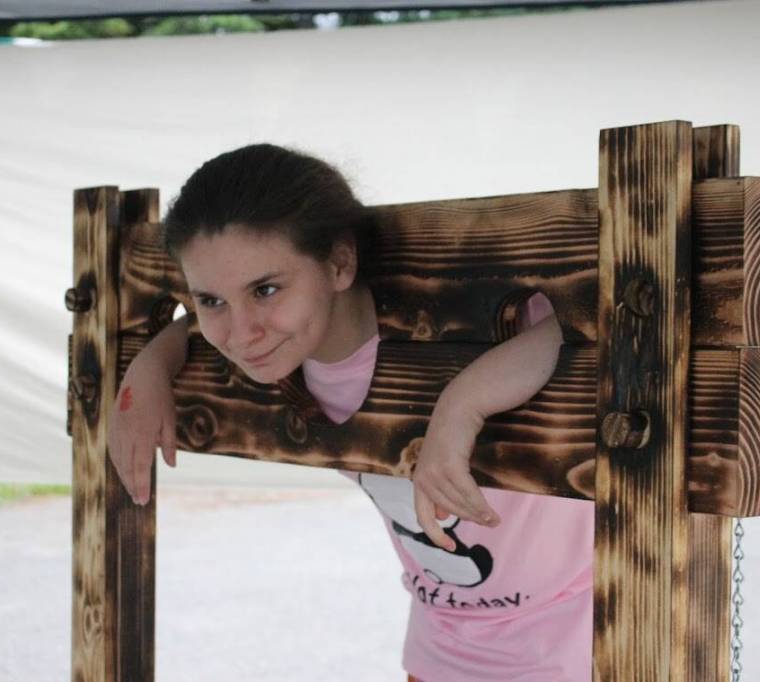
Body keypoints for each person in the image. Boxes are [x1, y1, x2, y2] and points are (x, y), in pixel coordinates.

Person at [106, 143, 593, 681]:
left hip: (577, 645)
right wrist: (150, 365)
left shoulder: (487, 318)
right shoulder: (282, 351)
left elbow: (586, 324)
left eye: (266, 289)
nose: (241, 334)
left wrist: (462, 404)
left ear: (339, 263)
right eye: (212, 301)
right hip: (440, 650)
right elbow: (193, 327)